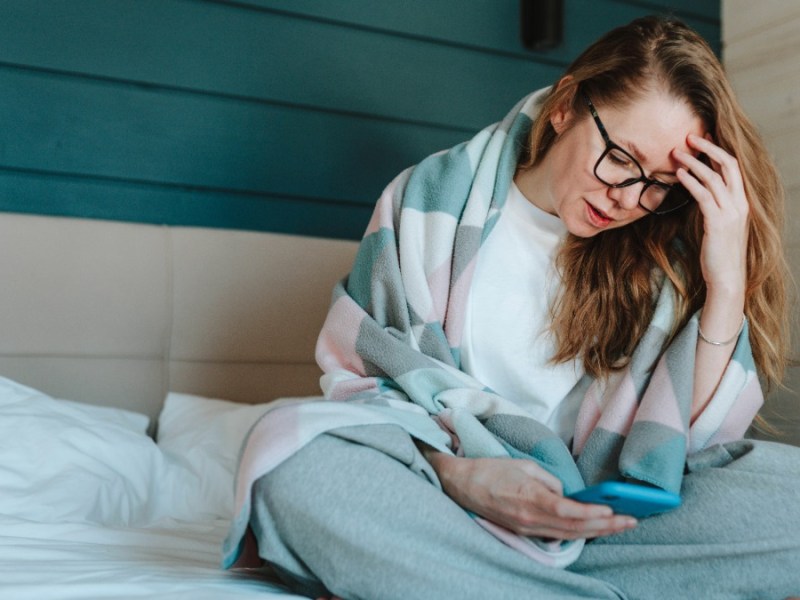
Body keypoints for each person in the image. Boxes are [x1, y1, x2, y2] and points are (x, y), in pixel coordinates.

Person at [223, 16, 800, 599]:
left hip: (610, 526)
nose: (627, 198)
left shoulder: (662, 258)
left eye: (659, 183)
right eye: (621, 158)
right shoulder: (427, 204)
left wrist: (726, 284)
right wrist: (462, 477)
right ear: (566, 106)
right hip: (449, 503)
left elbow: (689, 447)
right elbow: (373, 387)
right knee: (288, 459)